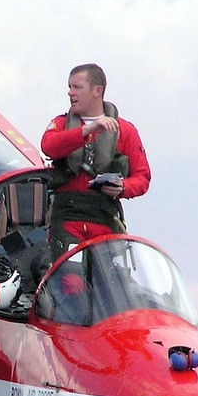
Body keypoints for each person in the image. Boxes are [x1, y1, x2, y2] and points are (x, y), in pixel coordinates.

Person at [40, 63, 151, 260]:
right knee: (70, 276)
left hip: (104, 220)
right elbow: (48, 146)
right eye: (69, 87)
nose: (70, 93)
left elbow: (142, 177)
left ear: (97, 91)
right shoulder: (61, 124)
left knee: (105, 276)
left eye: (77, 87)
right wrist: (87, 130)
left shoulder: (125, 131)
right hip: (67, 219)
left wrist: (122, 187)